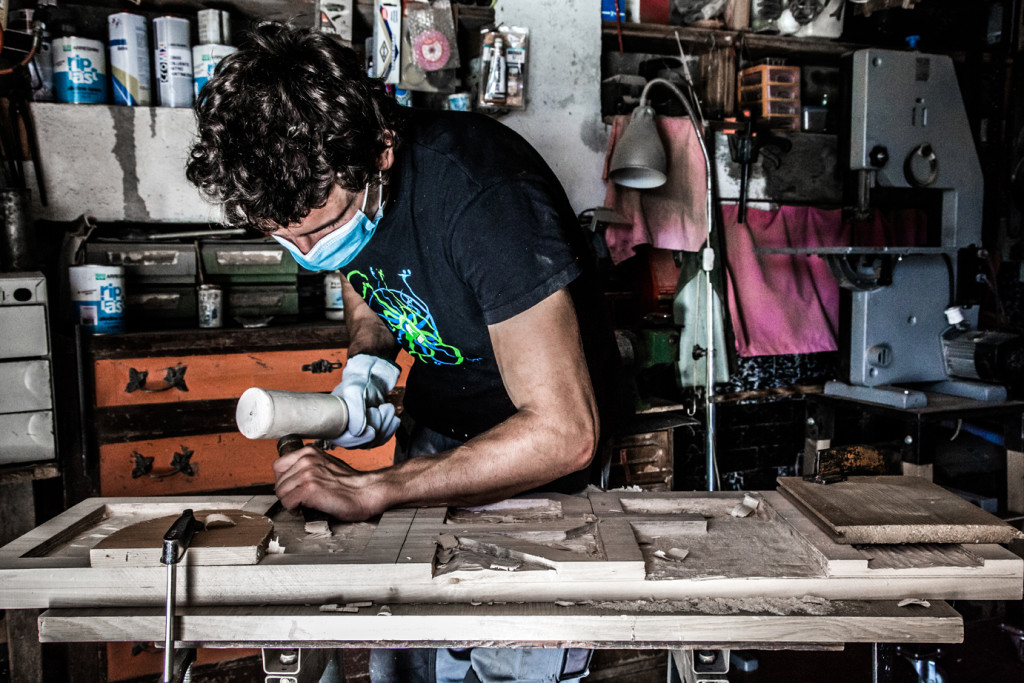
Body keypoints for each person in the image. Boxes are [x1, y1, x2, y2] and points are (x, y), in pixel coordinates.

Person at [186, 22, 622, 683]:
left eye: (322, 229)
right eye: (287, 239)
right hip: (437, 438)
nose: (309, 253)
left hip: (539, 473)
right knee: (408, 662)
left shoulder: (484, 199)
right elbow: (365, 266)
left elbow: (565, 432)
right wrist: (367, 362)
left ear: (382, 150)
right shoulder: (336, 189)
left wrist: (378, 488)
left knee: (505, 666)